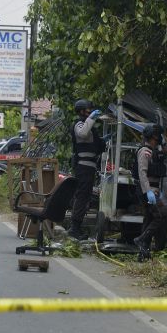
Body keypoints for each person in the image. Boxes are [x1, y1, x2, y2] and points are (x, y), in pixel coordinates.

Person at [133, 123, 167, 260]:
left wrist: (165, 145)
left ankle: (143, 252)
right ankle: (141, 239)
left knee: (149, 218)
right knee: (162, 215)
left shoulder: (154, 151)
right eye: (158, 136)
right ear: (153, 136)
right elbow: (142, 173)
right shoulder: (145, 151)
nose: (160, 138)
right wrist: (148, 191)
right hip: (148, 190)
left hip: (154, 189)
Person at [68, 99, 105, 240]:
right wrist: (91, 118)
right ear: (82, 111)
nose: (90, 112)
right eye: (88, 110)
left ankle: (77, 227)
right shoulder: (80, 124)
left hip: (89, 167)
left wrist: (102, 141)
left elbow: (93, 142)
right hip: (83, 166)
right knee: (82, 196)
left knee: (85, 197)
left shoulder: (89, 126)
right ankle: (74, 228)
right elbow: (83, 134)